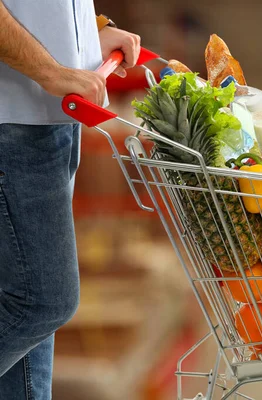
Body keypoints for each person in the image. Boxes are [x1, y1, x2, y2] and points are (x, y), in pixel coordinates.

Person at [0, 1, 141, 398]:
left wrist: (90, 31)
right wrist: (51, 70)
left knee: (25, 314)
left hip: (49, 117)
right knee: (40, 303)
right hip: (15, 117)